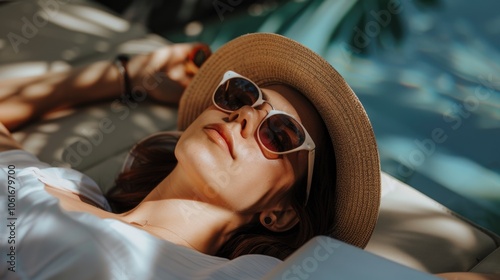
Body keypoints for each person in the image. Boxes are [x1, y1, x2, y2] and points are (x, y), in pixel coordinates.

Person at [0, 33, 496, 280]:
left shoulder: (243, 276)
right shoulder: (63, 183)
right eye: (241, 96)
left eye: (279, 133)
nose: (244, 118)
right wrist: (132, 76)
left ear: (278, 214)